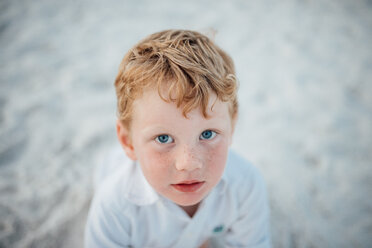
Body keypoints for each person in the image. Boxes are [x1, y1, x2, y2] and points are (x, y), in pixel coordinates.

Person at [84, 29, 271, 248]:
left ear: (232, 127)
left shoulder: (245, 185)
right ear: (127, 141)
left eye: (207, 134)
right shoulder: (114, 206)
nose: (189, 163)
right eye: (163, 138)